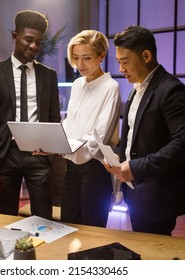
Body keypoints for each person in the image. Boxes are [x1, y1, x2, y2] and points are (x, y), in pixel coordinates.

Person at [105, 25, 185, 235]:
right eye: (119, 62)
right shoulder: (136, 89)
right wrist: (114, 157)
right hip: (136, 192)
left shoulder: (172, 90)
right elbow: (132, 137)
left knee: (157, 254)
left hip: (159, 194)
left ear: (146, 55)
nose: (121, 69)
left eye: (124, 61)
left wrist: (137, 168)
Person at [0, 10, 60, 219]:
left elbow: (54, 118)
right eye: (29, 40)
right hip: (6, 155)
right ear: (15, 36)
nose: (34, 46)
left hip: (39, 156)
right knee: (7, 217)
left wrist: (50, 153)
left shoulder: (49, 75)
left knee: (43, 218)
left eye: (38, 42)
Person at [60, 30, 121, 227]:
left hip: (94, 166)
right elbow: (70, 121)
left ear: (101, 56)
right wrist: (54, 141)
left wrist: (66, 144)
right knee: (68, 222)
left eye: (86, 58)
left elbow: (99, 135)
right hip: (71, 163)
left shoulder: (111, 87)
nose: (80, 64)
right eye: (76, 58)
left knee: (92, 226)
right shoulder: (77, 84)